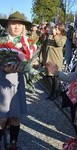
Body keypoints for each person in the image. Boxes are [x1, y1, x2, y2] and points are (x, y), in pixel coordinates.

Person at [46, 28, 77, 136]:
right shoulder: (76, 50)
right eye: (75, 38)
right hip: (73, 89)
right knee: (74, 118)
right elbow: (72, 71)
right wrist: (57, 73)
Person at [0, 11, 35, 149]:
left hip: (18, 81)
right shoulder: (2, 41)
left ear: (23, 27)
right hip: (2, 81)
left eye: (19, 24)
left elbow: (30, 60)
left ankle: (13, 143)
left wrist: (29, 67)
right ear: (8, 25)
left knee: (15, 116)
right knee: (2, 117)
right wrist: (4, 69)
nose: (16, 26)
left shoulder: (27, 43)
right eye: (13, 23)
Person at [42, 23, 67, 100]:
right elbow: (45, 44)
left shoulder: (63, 37)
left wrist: (55, 35)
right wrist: (46, 35)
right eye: (55, 27)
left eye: (57, 28)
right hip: (49, 59)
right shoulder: (51, 35)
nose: (55, 29)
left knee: (55, 77)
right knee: (49, 76)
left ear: (60, 30)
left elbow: (59, 44)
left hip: (56, 59)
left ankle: (55, 94)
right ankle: (52, 92)